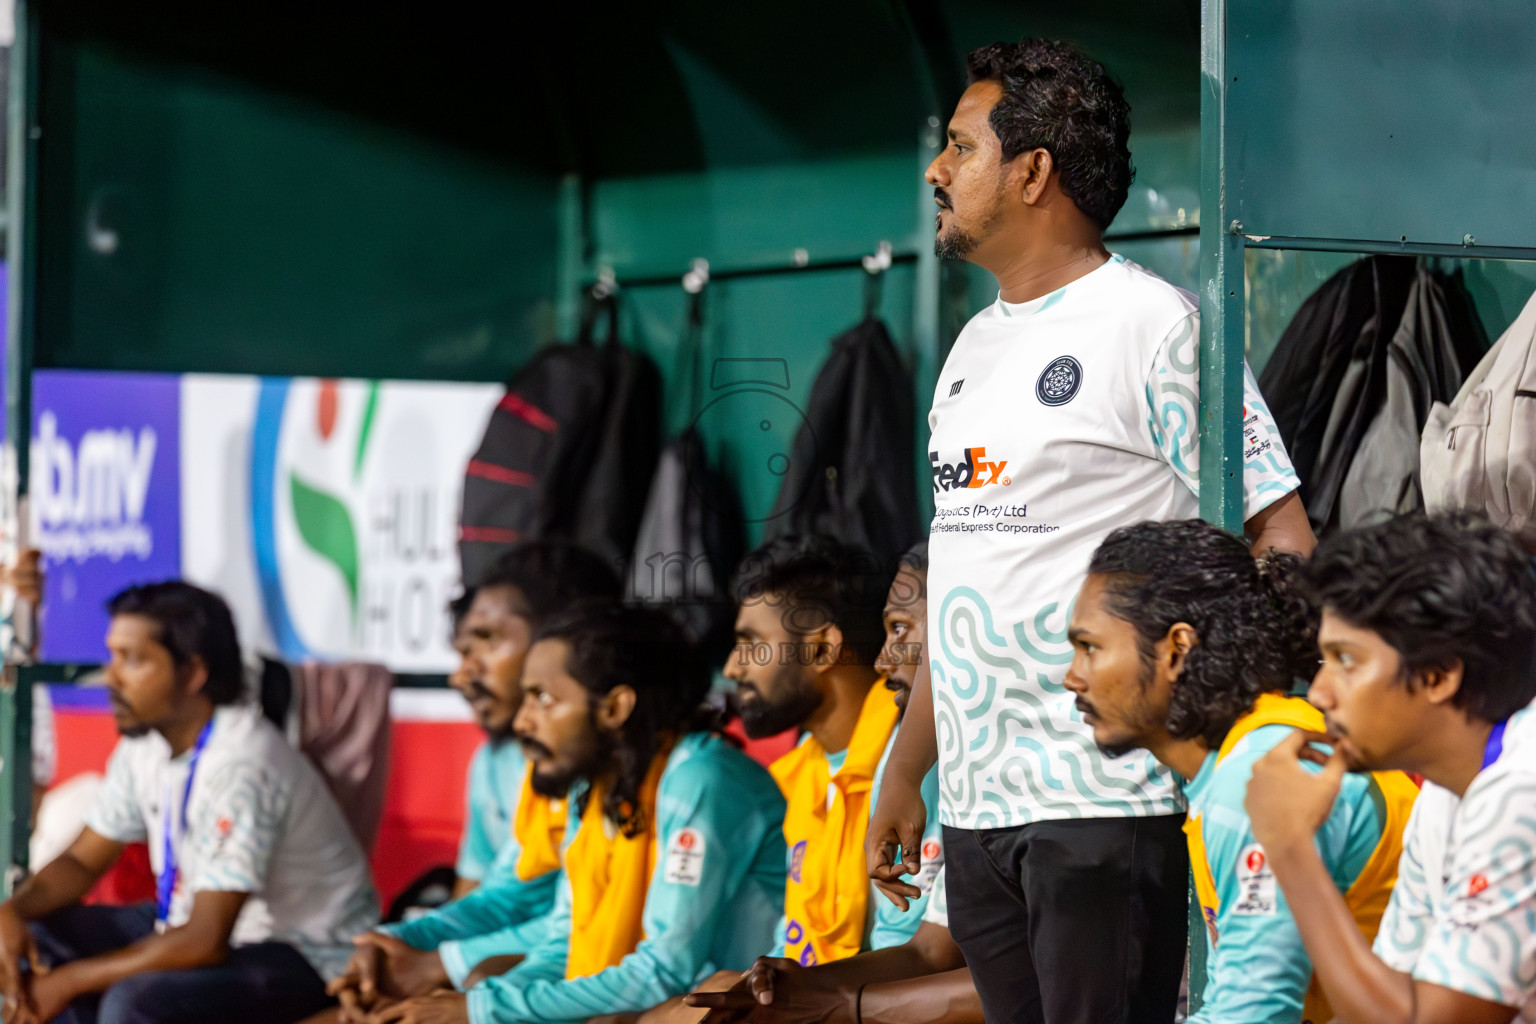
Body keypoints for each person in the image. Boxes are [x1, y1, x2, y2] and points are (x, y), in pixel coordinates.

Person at [867, 37, 1316, 1024]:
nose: (936, 172)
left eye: (959, 146)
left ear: (1033, 171)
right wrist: (909, 765)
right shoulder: (972, 347)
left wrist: (1234, 741)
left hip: (1103, 800)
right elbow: (964, 579)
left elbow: (1284, 536)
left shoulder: (1157, 327)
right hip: (977, 812)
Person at [1061, 518, 1418, 1023]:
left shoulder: (1258, 772)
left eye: (1089, 648)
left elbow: (1254, 1015)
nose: (1071, 677)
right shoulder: (1241, 758)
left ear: (1176, 650)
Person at [373, 601, 786, 1024]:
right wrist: (482, 1002)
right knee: (482, 988)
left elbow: (665, 969)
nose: (523, 722)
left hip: (731, 1005)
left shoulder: (699, 780)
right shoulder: (595, 788)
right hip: (665, 996)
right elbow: (565, 938)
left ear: (613, 709)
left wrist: (483, 1010)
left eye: (543, 699)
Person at [0, 581, 378, 1024]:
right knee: (35, 941)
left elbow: (205, 940)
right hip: (196, 919)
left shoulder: (243, 764)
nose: (111, 676)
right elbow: (83, 861)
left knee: (134, 1003)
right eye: (114, 656)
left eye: (134, 660)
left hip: (307, 953)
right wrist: (10, 912)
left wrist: (68, 982)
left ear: (193, 673)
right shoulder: (146, 744)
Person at [1245, 514, 1536, 1024]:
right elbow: (1389, 998)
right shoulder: (1444, 794)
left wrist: (1290, 845)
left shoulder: (1521, 786)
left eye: (1346, 660)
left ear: (1437, 675)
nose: (1319, 693)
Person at [688, 542, 982, 1024]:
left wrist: (818, 999)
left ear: (824, 648)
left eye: (749, 644)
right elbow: (801, 941)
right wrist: (773, 984)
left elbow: (920, 956)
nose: (731, 669)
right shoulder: (803, 772)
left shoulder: (912, 763)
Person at [325, 544, 621, 1021]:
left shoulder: (631, 772)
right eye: (463, 650)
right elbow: (495, 895)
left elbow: (602, 939)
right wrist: (402, 945)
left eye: (487, 640)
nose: (462, 674)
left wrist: (444, 969)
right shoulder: (499, 759)